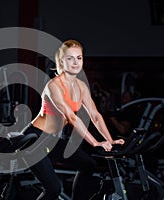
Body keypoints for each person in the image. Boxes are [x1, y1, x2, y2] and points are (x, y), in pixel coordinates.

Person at [21, 39, 125, 200]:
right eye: (70, 58)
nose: (75, 62)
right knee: (54, 189)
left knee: (88, 165)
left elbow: (96, 116)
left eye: (79, 58)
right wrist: (96, 143)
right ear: (61, 61)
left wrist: (110, 142)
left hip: (52, 140)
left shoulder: (81, 86)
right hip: (34, 139)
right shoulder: (54, 85)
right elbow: (71, 117)